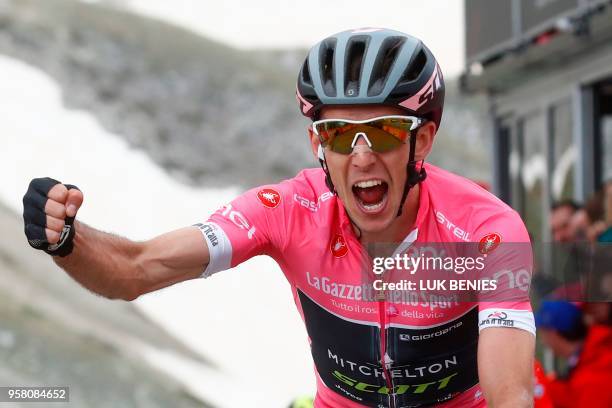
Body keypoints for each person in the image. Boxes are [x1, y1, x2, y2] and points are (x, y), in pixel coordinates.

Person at [22, 28, 535, 407]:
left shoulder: (486, 232)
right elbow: (135, 270)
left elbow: (509, 394)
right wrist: (68, 240)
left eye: (380, 132)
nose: (360, 158)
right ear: (317, 144)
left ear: (420, 141)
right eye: (337, 134)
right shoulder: (289, 211)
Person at [535, 300, 612, 407]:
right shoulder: (589, 359)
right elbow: (571, 395)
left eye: (542, 333)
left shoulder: (596, 372)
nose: (543, 340)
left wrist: (538, 386)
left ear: (552, 333)